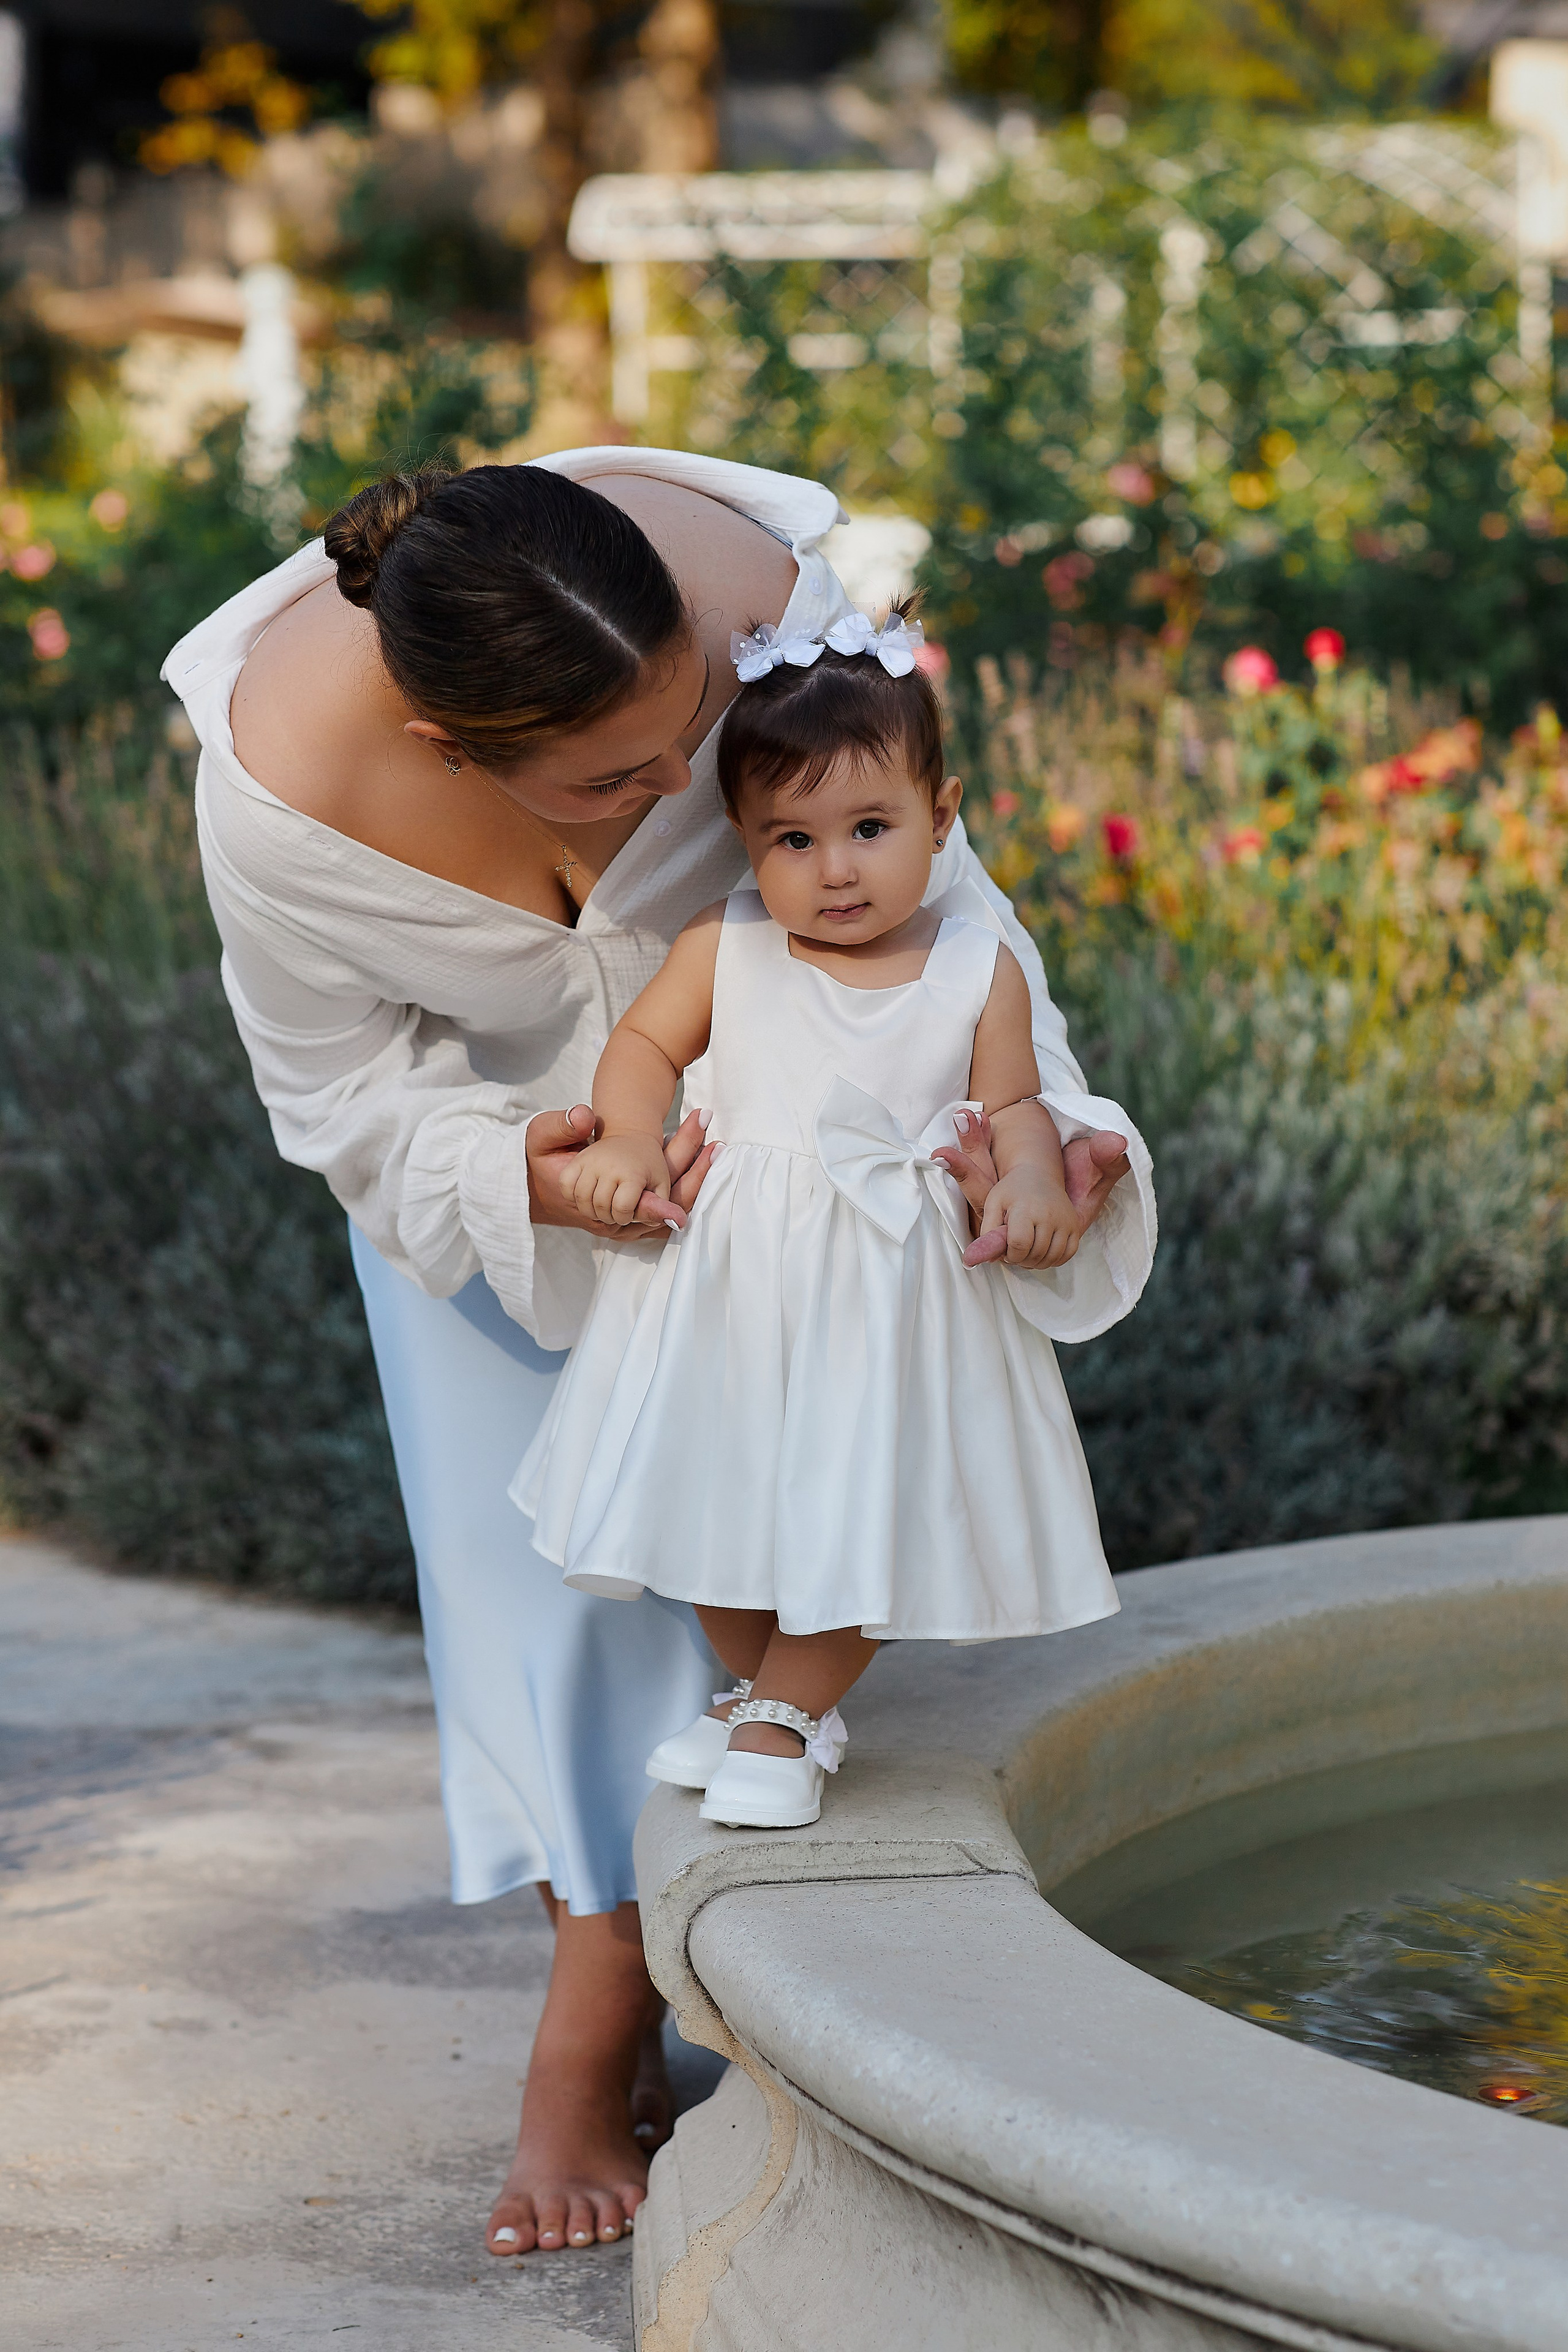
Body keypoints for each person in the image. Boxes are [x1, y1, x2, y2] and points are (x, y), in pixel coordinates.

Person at [160, 450, 1152, 2250]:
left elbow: (952, 916)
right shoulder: (279, 801)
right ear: (452, 747)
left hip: (800, 1183)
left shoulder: (762, 603)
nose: (661, 793)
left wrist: (1050, 1130)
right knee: (528, 1562)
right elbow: (335, 1094)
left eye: (684, 741)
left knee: (769, 1503)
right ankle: (595, 1975)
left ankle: (731, 1891)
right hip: (502, 1175)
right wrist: (515, 1174)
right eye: (616, 777)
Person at [515, 607, 1152, 1825]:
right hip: (729, 1282)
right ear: (744, 842)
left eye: (869, 828)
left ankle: (787, 1710)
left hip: (890, 1289)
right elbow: (642, 1048)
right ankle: (763, 1691)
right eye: (791, 838)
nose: (836, 868)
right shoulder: (729, 946)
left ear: (941, 815)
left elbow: (1010, 1103)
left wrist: (1026, 1178)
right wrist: (631, 1137)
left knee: (857, 1495)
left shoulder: (975, 966)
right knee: (702, 1496)